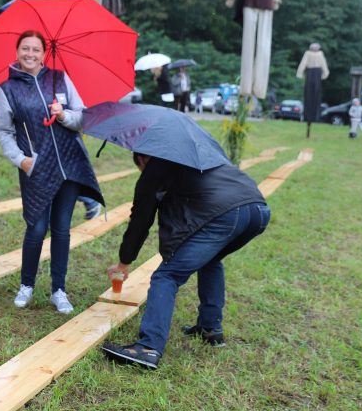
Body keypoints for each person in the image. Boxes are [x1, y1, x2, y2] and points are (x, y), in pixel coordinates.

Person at [101, 152, 269, 369]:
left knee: (166, 275)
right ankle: (210, 328)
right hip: (258, 209)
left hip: (227, 213)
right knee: (211, 259)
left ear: (143, 160)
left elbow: (140, 222)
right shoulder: (195, 157)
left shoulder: (155, 168)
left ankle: (149, 347)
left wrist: (124, 262)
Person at [0, 30, 104, 314]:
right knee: (37, 228)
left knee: (62, 229)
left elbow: (83, 117)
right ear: (17, 52)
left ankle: (59, 290)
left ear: (44, 53)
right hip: (37, 168)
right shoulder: (7, 89)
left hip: (68, 165)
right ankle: (27, 285)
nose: (30, 54)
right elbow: (5, 132)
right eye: (25, 49)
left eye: (35, 49)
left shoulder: (60, 79)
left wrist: (64, 114)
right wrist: (21, 160)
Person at [296, 42, 330, 138]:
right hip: (317, 74)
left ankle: (309, 116)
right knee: (315, 95)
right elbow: (324, 66)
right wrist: (324, 75)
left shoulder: (308, 53)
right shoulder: (320, 54)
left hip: (310, 74)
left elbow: (303, 64)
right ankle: (314, 115)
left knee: (309, 95)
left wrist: (300, 74)